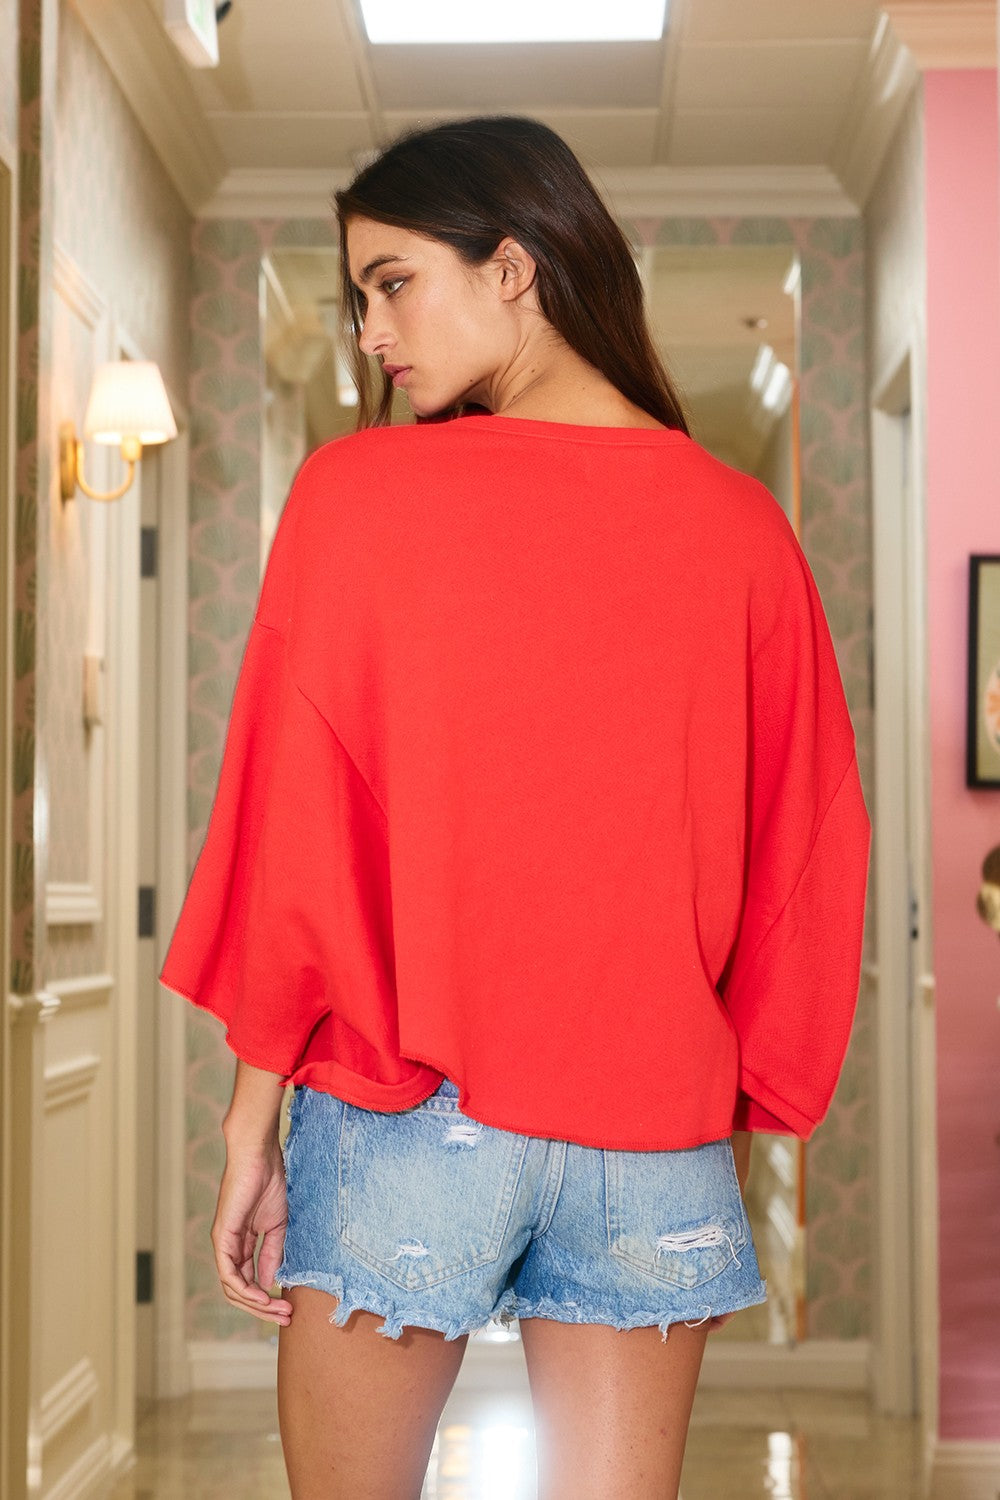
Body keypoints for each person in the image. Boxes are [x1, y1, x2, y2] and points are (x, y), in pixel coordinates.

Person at [160, 115, 871, 1500]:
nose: (371, 330)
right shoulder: (741, 527)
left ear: (514, 269)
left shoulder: (355, 499)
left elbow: (300, 828)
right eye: (357, 296)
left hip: (408, 1110)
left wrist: (253, 1125)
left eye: (391, 282)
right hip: (654, 1133)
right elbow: (805, 847)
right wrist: (731, 1097)